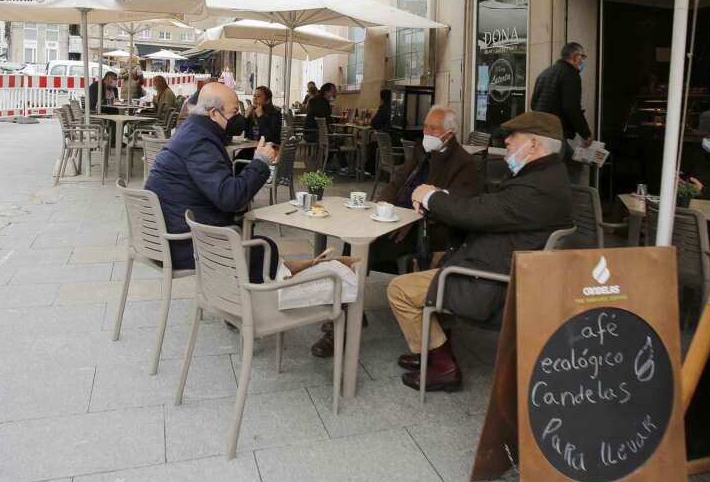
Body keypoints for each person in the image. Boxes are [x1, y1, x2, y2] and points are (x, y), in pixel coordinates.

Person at [386, 111, 573, 392]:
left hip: (489, 280)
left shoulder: (537, 188)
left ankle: (442, 365)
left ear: (533, 144)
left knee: (399, 290)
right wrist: (442, 196)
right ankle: (430, 348)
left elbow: (479, 212)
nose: (507, 141)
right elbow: (493, 206)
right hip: (500, 265)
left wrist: (429, 195)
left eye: (513, 137)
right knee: (434, 261)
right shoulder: (548, 177)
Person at [309, 106, 482, 358]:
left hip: (426, 230)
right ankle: (349, 314)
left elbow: (460, 208)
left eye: (433, 128)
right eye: (425, 126)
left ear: (450, 132)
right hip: (394, 219)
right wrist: (383, 204)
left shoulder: (464, 163)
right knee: (352, 239)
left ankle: (343, 326)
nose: (427, 132)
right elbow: (397, 180)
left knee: (363, 246)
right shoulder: (422, 150)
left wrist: (411, 219)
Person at [146, 83, 279, 283]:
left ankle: (243, 294)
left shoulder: (193, 131)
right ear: (215, 114)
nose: (239, 118)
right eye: (234, 111)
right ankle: (247, 309)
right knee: (263, 248)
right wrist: (260, 162)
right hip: (181, 243)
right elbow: (230, 198)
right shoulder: (200, 143)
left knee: (247, 233)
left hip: (168, 233)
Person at [531, 42, 593, 183]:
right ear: (576, 57)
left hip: (542, 131)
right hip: (555, 134)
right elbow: (571, 108)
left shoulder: (545, 73)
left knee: (574, 165)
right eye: (583, 57)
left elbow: (534, 104)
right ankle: (557, 200)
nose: (583, 62)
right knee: (551, 175)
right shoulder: (571, 75)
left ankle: (570, 197)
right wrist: (586, 133)